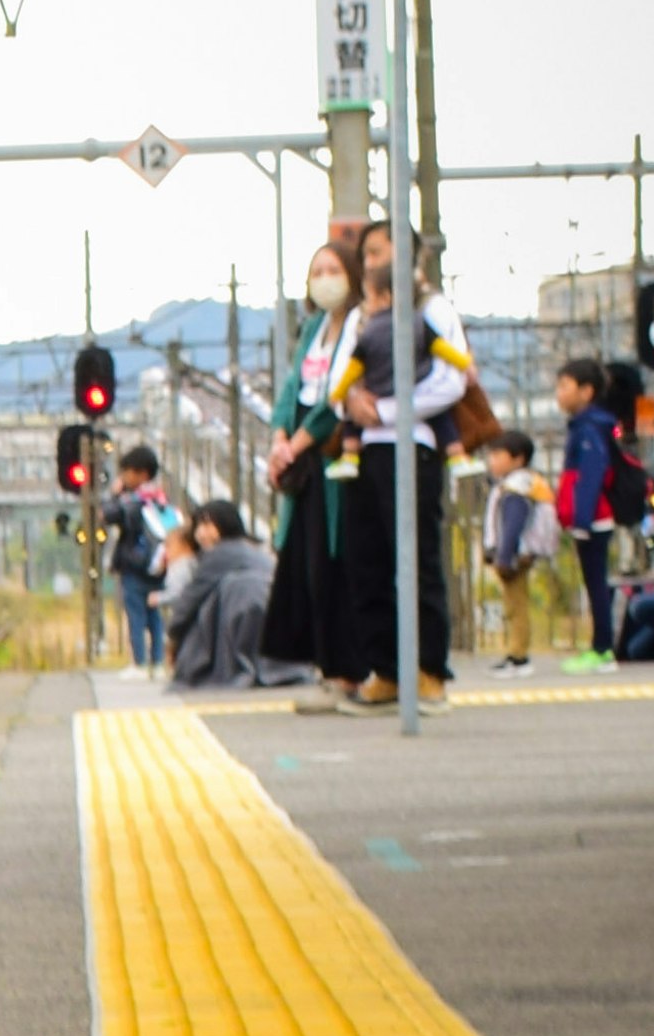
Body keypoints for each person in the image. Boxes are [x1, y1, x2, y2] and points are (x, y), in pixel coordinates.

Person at [321, 216, 461, 701]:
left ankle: (430, 669)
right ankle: (384, 667)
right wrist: (349, 404)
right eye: (368, 256)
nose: (370, 264)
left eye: (378, 254)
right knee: (367, 559)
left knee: (417, 557)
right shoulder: (362, 314)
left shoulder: (432, 308)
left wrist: (385, 409)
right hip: (364, 453)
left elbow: (452, 378)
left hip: (413, 444)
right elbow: (338, 379)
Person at [261, 226, 365, 684]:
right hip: (302, 461)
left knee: (335, 561)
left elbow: (336, 399)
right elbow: (290, 387)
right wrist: (279, 439)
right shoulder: (312, 329)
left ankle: (346, 669)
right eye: (316, 272)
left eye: (333, 270)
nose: (324, 279)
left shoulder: (361, 324)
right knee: (304, 562)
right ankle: (323, 666)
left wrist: (296, 443)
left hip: (333, 453)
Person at [554, 356, 630, 655]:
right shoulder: (590, 425)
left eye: (564, 386)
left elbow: (590, 475)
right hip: (591, 517)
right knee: (594, 581)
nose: (559, 393)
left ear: (586, 391)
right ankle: (600, 645)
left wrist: (581, 520)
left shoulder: (588, 428)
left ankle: (602, 648)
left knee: (596, 583)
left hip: (593, 518)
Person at [163, 490, 271, 688]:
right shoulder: (255, 549)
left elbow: (190, 599)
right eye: (198, 527)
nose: (201, 533)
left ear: (225, 524)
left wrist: (172, 636)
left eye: (207, 525)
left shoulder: (220, 554)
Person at [478, 430, 559, 666]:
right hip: (517, 553)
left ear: (518, 459)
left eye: (497, 455)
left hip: (513, 555)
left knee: (516, 605)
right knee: (514, 603)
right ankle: (516, 651)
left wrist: (503, 556)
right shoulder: (521, 485)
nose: (492, 461)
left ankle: (518, 655)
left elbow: (512, 526)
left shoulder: (516, 488)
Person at [108, 442, 175, 671]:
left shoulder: (133, 499)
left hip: (134, 565)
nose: (123, 477)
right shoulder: (160, 497)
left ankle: (138, 662)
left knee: (135, 614)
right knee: (154, 614)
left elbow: (109, 515)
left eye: (126, 472)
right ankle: (156, 661)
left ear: (140, 473)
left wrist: (115, 495)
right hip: (157, 564)